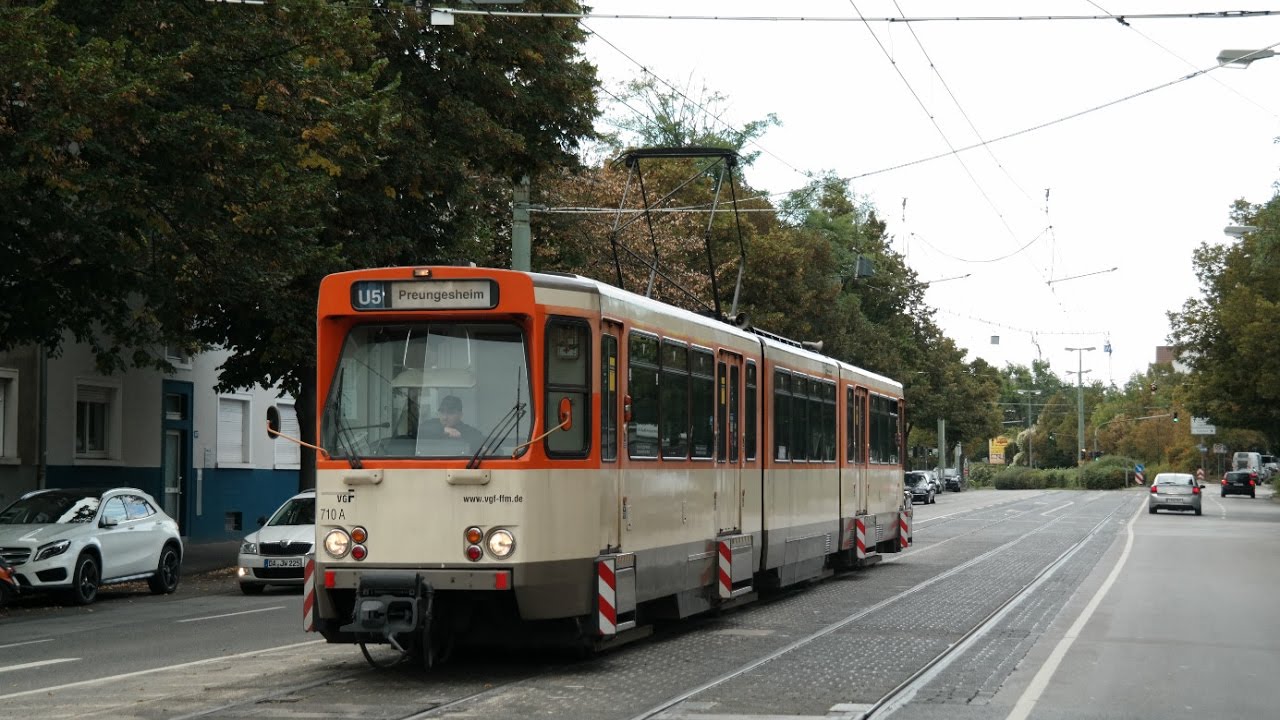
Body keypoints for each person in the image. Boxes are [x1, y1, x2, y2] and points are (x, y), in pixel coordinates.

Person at [419, 395, 484, 451]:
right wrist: (442, 430)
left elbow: (480, 440)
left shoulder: (468, 431)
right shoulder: (430, 424)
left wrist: (462, 436)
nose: (444, 417)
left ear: (460, 415)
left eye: (450, 413)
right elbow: (417, 431)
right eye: (442, 412)